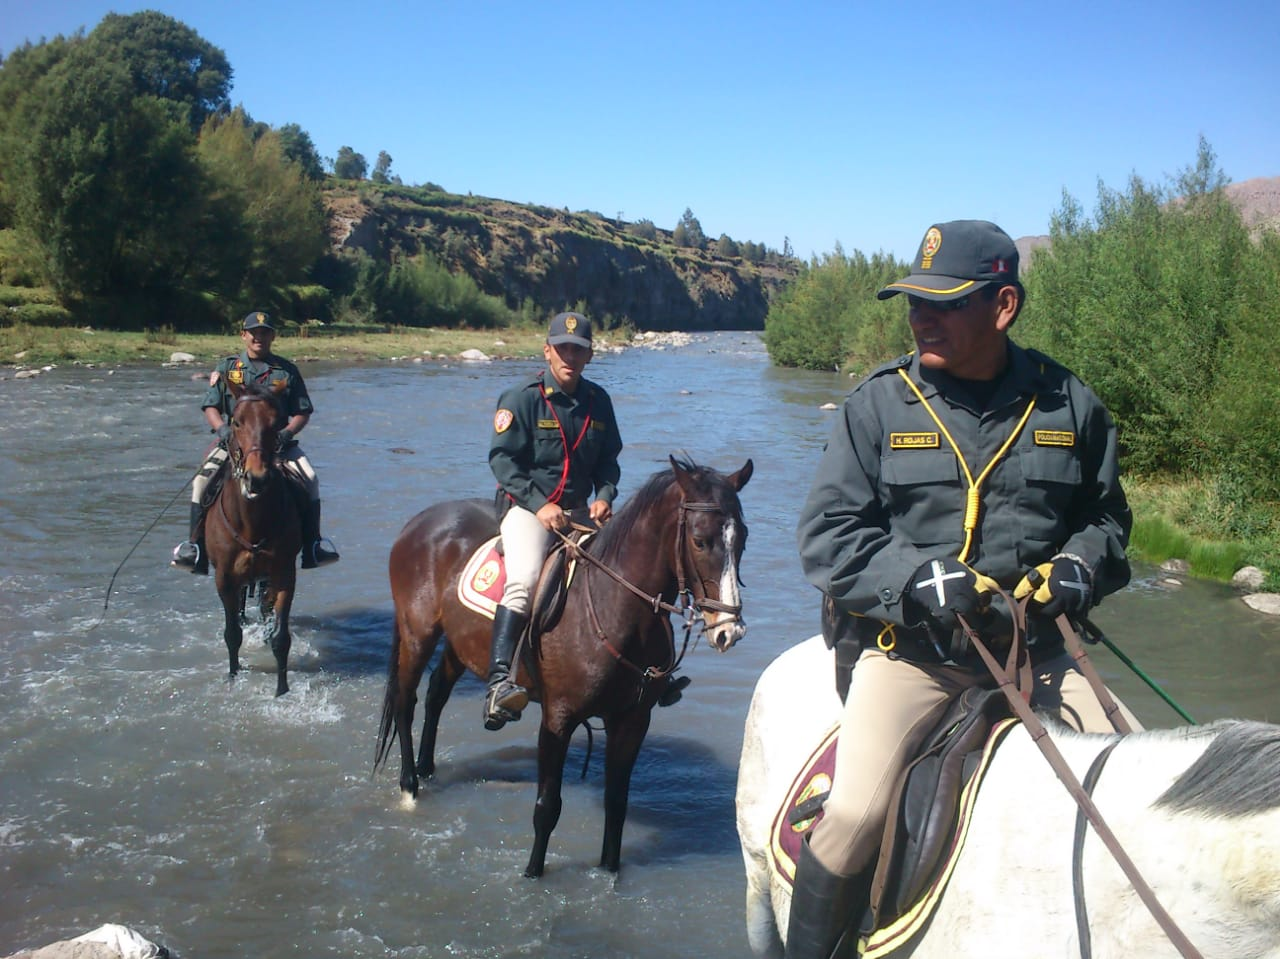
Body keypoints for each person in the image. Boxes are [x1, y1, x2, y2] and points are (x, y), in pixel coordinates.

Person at [787, 220, 1141, 959]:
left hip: (1041, 655)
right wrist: (913, 577)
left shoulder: (1070, 403)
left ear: (1003, 306)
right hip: (917, 656)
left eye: (944, 303)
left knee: (1146, 787)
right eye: (915, 302)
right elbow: (828, 533)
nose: (921, 317)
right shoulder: (879, 404)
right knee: (852, 818)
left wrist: (1081, 564)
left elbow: (1106, 519)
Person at [485, 311, 623, 730]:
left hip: (579, 513)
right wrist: (539, 504)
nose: (570, 357)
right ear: (547, 351)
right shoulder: (521, 398)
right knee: (524, 578)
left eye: (578, 350)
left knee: (626, 572)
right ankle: (498, 682)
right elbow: (502, 460)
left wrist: (605, 496)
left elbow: (609, 462)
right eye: (562, 349)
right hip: (528, 510)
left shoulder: (599, 402)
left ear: (590, 356)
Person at [171, 311, 339, 575]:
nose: (259, 337)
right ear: (244, 335)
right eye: (254, 333)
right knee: (201, 482)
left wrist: (287, 433)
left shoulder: (287, 371)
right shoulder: (227, 368)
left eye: (264, 333)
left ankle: (313, 545)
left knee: (310, 479)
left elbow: (302, 411)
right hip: (234, 444)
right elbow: (211, 406)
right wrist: (222, 429)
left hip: (277, 445)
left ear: (272, 336)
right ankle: (195, 548)